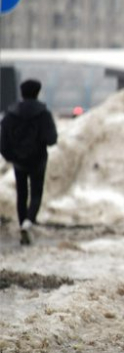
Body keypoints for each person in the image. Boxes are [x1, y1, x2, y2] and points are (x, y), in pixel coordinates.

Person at [0, 79, 58, 245]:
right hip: (38, 159)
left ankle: (21, 224)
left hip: (18, 161)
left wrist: (11, 156)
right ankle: (28, 222)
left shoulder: (11, 114)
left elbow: (2, 141)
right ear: (37, 92)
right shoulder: (43, 113)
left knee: (21, 193)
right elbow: (52, 138)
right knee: (36, 193)